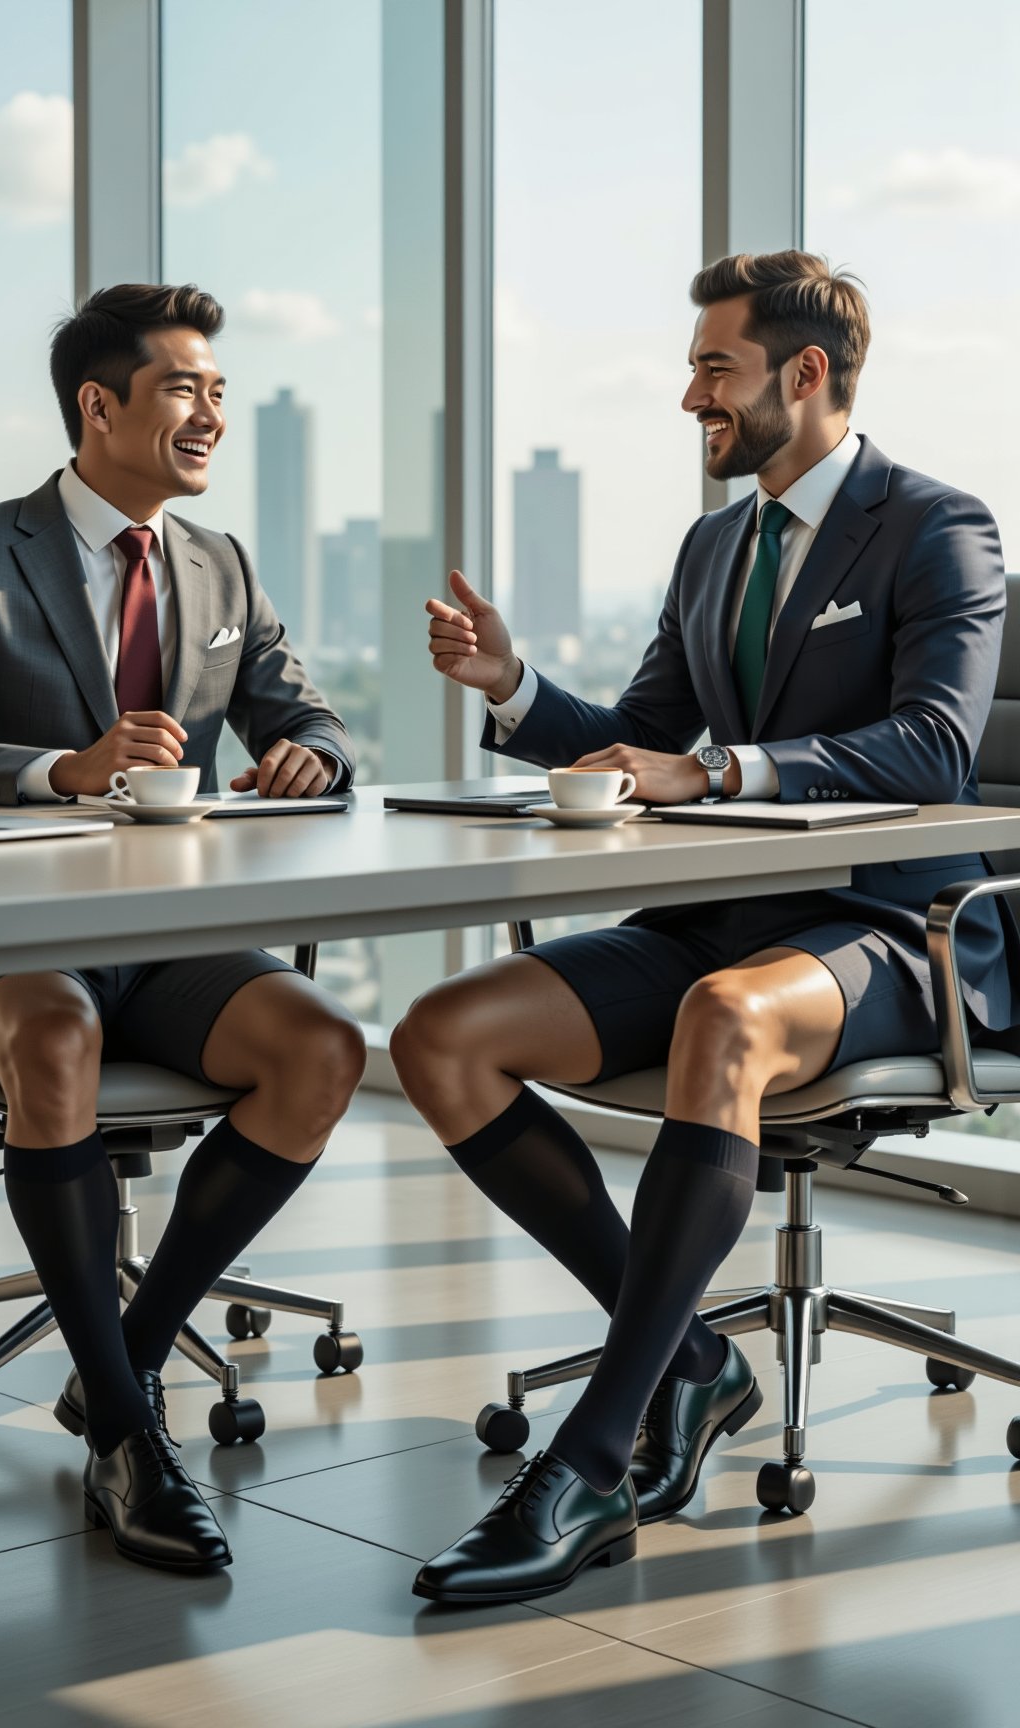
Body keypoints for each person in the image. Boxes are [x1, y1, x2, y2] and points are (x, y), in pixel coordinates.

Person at [392, 250, 1019, 1605]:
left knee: (720, 1022)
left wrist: (728, 773)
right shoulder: (713, 547)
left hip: (895, 931)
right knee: (442, 1035)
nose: (690, 397)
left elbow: (932, 745)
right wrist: (513, 688)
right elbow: (642, 747)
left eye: (715, 368)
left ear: (806, 374)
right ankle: (689, 1360)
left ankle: (596, 1461)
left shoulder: (938, 526)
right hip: (724, 916)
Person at [0, 283, 367, 1574]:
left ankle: (120, 1372)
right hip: (3, 937)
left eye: (220, 390)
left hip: (168, 934)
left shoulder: (218, 565)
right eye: (184, 390)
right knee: (52, 1040)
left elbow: (304, 714)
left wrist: (312, 760)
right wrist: (66, 766)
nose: (214, 413)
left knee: (322, 1047)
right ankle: (133, 1447)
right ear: (100, 407)